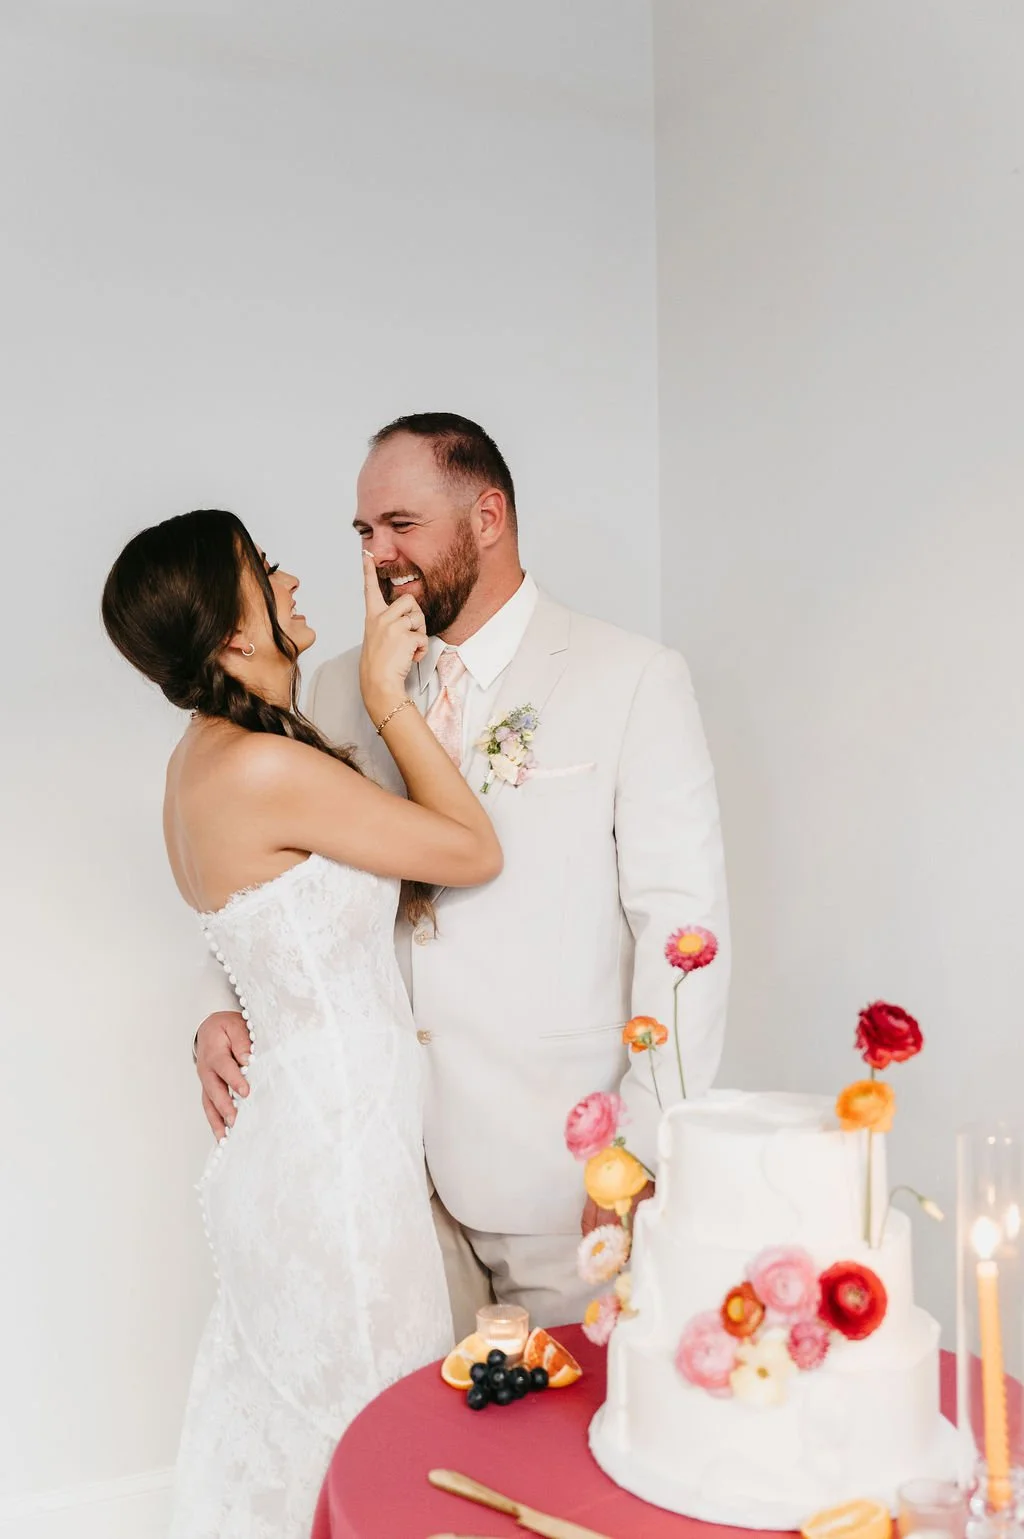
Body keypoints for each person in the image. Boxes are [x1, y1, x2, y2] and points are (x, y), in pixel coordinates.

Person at [197, 412, 731, 1338]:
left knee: (575, 1453)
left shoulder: (631, 679)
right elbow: (276, 879)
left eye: (402, 525)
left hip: (565, 1178)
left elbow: (686, 936)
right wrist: (225, 1002)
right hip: (389, 1176)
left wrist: (639, 1152)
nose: (378, 554)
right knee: (420, 1463)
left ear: (488, 516)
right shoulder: (332, 690)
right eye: (364, 532)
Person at [102, 508, 501, 1539]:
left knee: (314, 1432)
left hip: (306, 1145)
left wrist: (214, 1014)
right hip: (336, 1171)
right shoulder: (260, 766)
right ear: (234, 636)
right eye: (263, 573)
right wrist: (385, 696)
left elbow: (259, 935)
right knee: (372, 1437)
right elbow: (468, 849)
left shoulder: (204, 758)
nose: (289, 580)